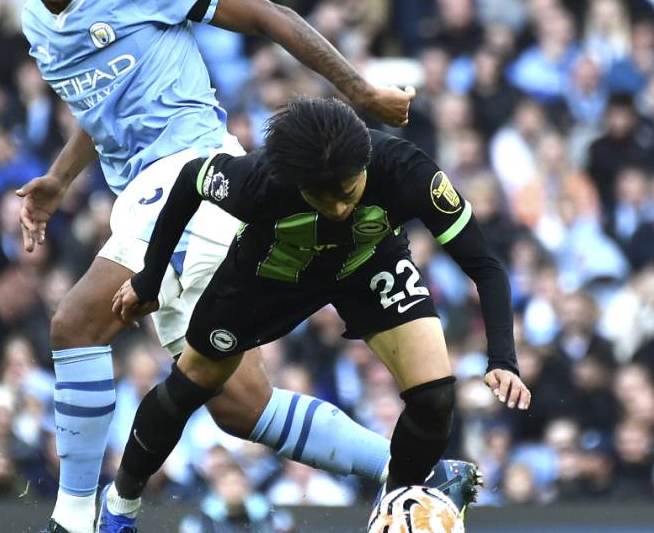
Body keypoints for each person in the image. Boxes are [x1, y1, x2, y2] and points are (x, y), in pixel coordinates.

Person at [7, 0, 416, 532]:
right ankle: (416, 469)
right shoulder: (38, 25)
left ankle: (73, 519)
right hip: (144, 198)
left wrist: (360, 91)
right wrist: (59, 178)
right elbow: (104, 106)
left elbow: (268, 15)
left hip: (195, 177)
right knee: (242, 405)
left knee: (75, 324)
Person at [106, 97, 532, 531]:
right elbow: (190, 180)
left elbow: (485, 264)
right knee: (192, 384)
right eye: (322, 198)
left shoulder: (408, 171)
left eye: (347, 192)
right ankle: (120, 504)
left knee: (435, 398)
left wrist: (502, 358)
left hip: (368, 263)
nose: (339, 209)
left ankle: (393, 509)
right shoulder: (257, 179)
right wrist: (149, 279)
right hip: (272, 274)